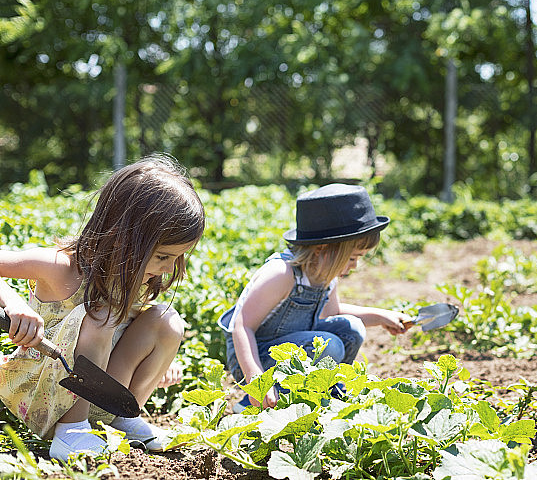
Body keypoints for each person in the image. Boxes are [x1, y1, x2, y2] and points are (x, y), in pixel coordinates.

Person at [0, 154, 205, 461]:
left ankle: (121, 418)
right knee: (101, 314)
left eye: (177, 258)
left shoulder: (131, 279)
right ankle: (72, 433)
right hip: (41, 389)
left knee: (167, 320)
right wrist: (15, 305)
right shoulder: (60, 267)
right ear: (125, 239)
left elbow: (126, 336)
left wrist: (157, 362)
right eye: (163, 256)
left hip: (96, 392)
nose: (168, 269)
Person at [219, 183, 413, 412]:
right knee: (329, 346)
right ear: (323, 250)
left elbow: (333, 313)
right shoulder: (282, 273)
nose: (355, 266)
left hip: (293, 349)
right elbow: (241, 326)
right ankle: (253, 403)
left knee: (352, 329)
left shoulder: (326, 273)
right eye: (352, 258)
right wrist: (256, 382)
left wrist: (381, 316)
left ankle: (325, 391)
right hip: (255, 358)